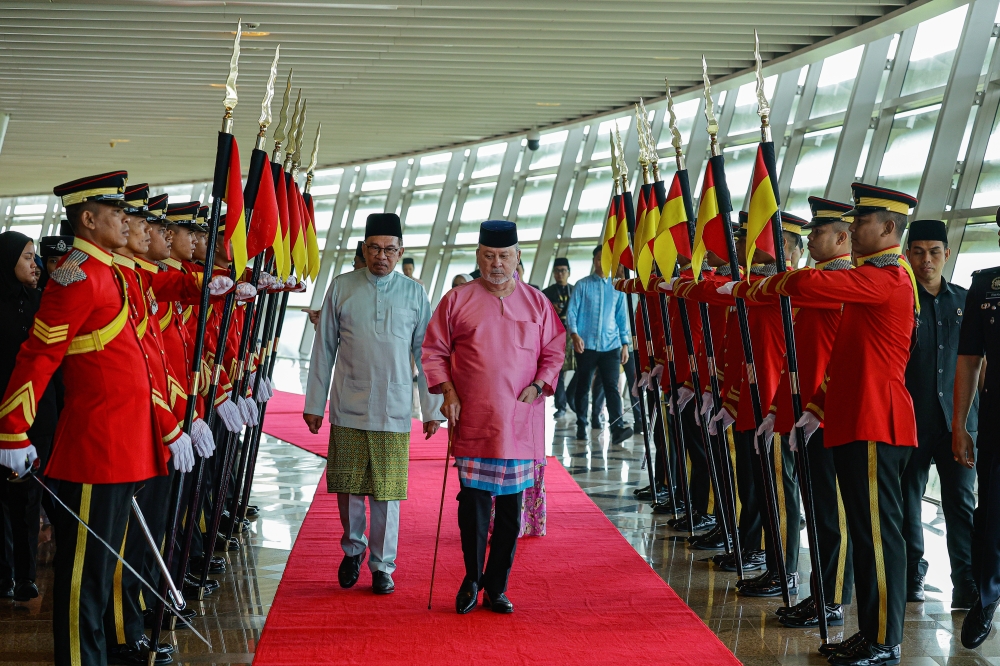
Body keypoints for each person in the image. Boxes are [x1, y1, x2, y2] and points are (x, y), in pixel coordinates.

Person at [0, 172, 194, 666]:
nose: (128, 221)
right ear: (88, 219)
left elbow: (145, 360)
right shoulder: (78, 274)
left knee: (107, 562)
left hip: (127, 443)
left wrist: (167, 424)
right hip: (96, 446)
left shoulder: (117, 272)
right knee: (84, 572)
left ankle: (107, 648)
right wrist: (12, 427)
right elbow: (39, 354)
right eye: (118, 214)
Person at [754, 183, 919, 665]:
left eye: (861, 223)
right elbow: (844, 359)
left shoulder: (888, 278)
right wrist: (819, 405)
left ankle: (885, 640)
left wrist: (776, 280)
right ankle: (870, 632)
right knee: (866, 537)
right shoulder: (873, 276)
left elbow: (810, 284)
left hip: (876, 421)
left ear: (888, 228)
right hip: (854, 419)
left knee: (878, 539)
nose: (852, 231)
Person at [422, 220, 564, 615]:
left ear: (518, 257)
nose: (496, 264)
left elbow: (554, 351)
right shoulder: (457, 300)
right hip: (474, 418)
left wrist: (538, 386)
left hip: (521, 421)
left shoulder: (537, 302)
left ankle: (496, 588)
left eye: (504, 256)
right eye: (488, 256)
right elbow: (433, 351)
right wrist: (447, 392)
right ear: (478, 257)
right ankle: (471, 577)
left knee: (510, 516)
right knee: (473, 507)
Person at [304, 213, 442, 595]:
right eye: (375, 248)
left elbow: (425, 353)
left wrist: (431, 410)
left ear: (400, 252)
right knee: (348, 488)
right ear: (364, 249)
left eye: (390, 250)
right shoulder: (342, 287)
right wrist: (315, 403)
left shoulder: (414, 293)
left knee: (387, 490)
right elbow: (324, 348)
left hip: (394, 408)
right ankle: (353, 549)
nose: (382, 256)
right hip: (349, 404)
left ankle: (383, 566)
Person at [743, 197, 855, 627]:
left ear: (842, 237)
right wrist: (781, 409)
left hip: (828, 413)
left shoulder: (836, 281)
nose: (811, 240)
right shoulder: (819, 280)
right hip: (806, 410)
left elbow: (835, 359)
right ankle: (820, 593)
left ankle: (833, 599)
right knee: (816, 504)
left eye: (819, 233)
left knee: (831, 514)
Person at [901, 219, 977, 609]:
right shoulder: (898, 300)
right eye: (918, 251)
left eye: (934, 252)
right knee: (907, 500)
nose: (926, 260)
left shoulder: (966, 301)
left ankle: (965, 581)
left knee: (961, 503)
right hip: (910, 420)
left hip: (958, 425)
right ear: (907, 253)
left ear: (947, 253)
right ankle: (913, 571)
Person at [0, 231, 59, 604]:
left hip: (37, 417)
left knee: (28, 498)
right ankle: (3, 573)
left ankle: (25, 575)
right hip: (1, 416)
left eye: (35, 257)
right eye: (26, 258)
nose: (35, 265)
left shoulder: (42, 303)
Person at [954, 208, 1000, 649]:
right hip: (995, 418)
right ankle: (986, 599)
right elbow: (969, 360)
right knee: (990, 515)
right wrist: (960, 424)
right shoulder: (985, 286)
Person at [565, 246, 633, 444]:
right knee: (583, 385)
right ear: (593, 260)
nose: (600, 262)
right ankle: (581, 424)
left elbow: (621, 318)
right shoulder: (582, 285)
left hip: (611, 346)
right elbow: (572, 313)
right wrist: (574, 334)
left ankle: (617, 428)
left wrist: (625, 344)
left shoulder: (617, 287)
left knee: (612, 387)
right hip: (586, 345)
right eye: (597, 258)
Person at [542, 257, 574, 418]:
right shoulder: (546, 293)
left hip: (575, 335)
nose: (560, 274)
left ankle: (572, 400)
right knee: (558, 372)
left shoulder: (575, 290)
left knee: (582, 370)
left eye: (563, 271)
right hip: (556, 336)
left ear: (569, 273)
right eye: (557, 271)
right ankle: (561, 405)